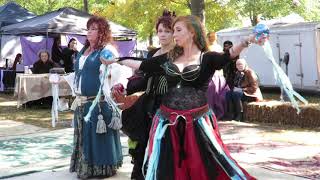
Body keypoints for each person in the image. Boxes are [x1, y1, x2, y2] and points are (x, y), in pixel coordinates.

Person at [102, 15, 258, 180]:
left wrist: (247, 40)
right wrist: (116, 60)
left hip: (197, 124)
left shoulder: (208, 58)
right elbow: (143, 64)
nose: (174, 34)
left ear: (192, 32)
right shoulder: (170, 57)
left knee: (202, 165)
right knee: (169, 166)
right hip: (168, 122)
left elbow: (230, 54)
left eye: (178, 30)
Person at [112, 10, 175, 180]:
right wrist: (126, 90)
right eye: (160, 31)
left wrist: (120, 59)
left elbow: (148, 68)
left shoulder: (177, 54)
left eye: (167, 31)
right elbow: (144, 78)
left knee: (164, 148)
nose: (162, 34)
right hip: (148, 103)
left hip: (169, 106)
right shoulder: (152, 53)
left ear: (174, 33)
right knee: (143, 146)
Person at [68, 16, 123, 179]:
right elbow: (80, 73)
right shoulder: (83, 51)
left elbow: (116, 69)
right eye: (88, 28)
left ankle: (101, 168)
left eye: (94, 29)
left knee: (99, 139)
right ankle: (84, 166)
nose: (89, 32)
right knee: (85, 138)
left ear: (102, 32)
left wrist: (107, 70)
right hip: (81, 102)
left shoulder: (107, 49)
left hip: (98, 104)